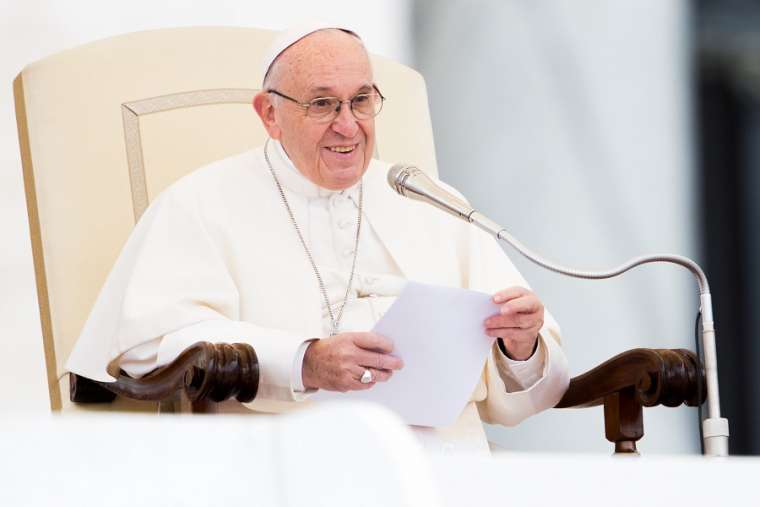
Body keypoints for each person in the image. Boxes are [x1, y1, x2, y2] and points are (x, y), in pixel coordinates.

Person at [67, 25, 569, 453]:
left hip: (440, 477)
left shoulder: (429, 199)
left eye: (361, 100)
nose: (347, 126)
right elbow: (149, 343)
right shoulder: (200, 203)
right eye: (323, 104)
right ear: (269, 114)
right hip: (280, 472)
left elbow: (526, 393)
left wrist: (520, 346)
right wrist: (303, 361)